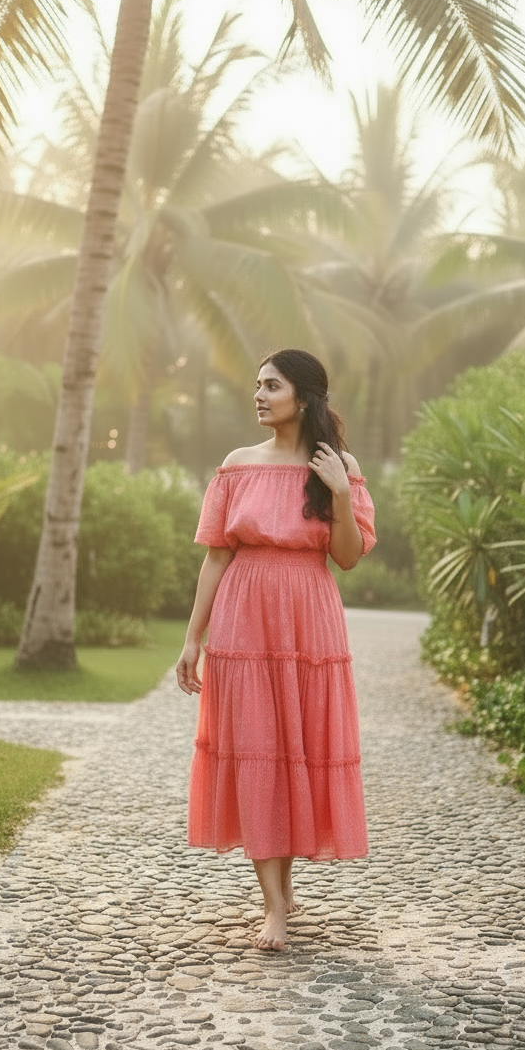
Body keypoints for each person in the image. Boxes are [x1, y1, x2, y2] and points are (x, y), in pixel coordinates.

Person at [176, 349, 376, 951]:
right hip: (244, 616)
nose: (258, 395)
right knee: (258, 748)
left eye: (272, 385)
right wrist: (192, 638)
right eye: (257, 385)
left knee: (297, 750)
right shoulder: (237, 466)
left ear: (304, 397)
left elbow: (346, 556)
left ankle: (283, 891)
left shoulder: (338, 466)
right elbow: (216, 555)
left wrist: (340, 491)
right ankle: (274, 907)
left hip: (309, 619)